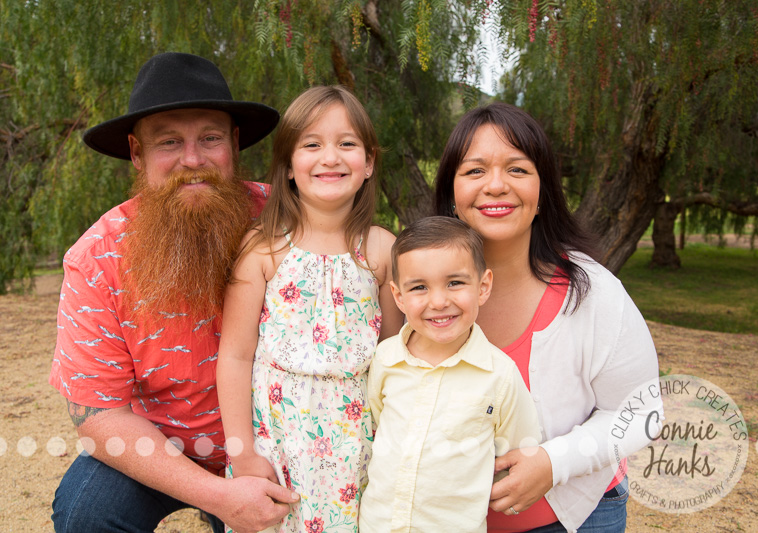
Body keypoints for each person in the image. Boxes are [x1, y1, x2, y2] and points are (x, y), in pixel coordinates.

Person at [49, 52, 300, 533]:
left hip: (277, 437)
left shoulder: (288, 221)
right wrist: (220, 497)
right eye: (169, 142)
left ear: (234, 143)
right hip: (160, 442)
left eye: (210, 138)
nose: (192, 159)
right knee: (86, 514)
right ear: (137, 153)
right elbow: (99, 416)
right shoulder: (96, 259)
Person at [433, 102, 663, 533]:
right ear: (451, 195)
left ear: (543, 194)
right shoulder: (418, 291)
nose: (496, 185)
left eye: (517, 169)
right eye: (475, 170)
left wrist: (553, 463)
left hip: (576, 518)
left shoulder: (592, 292)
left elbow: (641, 411)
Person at [216, 85, 404, 532]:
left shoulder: (382, 250)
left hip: (357, 443)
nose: (330, 157)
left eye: (347, 143)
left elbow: (394, 355)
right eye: (312, 144)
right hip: (277, 442)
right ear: (288, 165)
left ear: (369, 162)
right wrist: (243, 452)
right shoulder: (263, 248)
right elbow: (235, 356)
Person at [358, 216, 542, 532]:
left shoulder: (499, 375)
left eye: (455, 283)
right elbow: (374, 421)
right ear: (399, 297)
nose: (439, 302)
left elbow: (518, 450)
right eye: (419, 287)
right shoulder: (385, 359)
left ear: (483, 286)